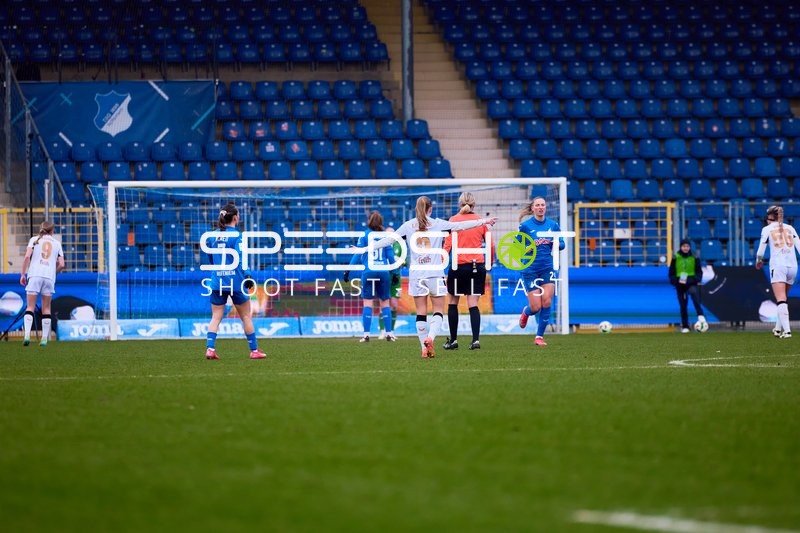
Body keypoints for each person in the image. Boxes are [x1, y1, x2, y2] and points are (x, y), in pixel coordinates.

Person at [374, 196, 496, 358]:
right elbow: (461, 225)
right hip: (435, 274)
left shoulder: (408, 225)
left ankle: (424, 348)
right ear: (430, 209)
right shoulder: (438, 224)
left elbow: (388, 240)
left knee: (421, 312)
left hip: (417, 275)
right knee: (438, 310)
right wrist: (484, 221)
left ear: (416, 209)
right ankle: (431, 338)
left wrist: (365, 249)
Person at [205, 203, 266, 360]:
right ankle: (254, 351)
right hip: (236, 281)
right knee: (246, 316)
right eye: (238, 215)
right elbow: (241, 258)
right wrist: (247, 276)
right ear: (234, 217)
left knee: (216, 316)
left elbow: (210, 258)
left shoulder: (212, 236)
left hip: (218, 281)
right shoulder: (237, 236)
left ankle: (210, 349)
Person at [443, 192, 493, 351]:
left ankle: (453, 340)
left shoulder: (453, 221)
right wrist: (488, 263)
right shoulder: (481, 221)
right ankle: (476, 340)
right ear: (474, 204)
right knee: (473, 304)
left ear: (460, 204)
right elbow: (491, 245)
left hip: (458, 266)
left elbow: (447, 246)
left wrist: (443, 267)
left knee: (453, 302)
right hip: (477, 266)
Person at [517, 196, 565, 346]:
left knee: (547, 301)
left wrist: (555, 242)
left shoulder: (553, 225)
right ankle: (526, 312)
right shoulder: (525, 226)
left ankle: (539, 337)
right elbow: (516, 247)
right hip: (530, 269)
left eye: (543, 205)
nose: (540, 207)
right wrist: (527, 248)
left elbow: (562, 244)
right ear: (532, 208)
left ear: (545, 207)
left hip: (547, 268)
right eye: (537, 205)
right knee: (536, 306)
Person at [346, 211, 397, 342]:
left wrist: (348, 270)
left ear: (369, 221)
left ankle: (366, 334)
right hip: (383, 272)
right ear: (381, 221)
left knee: (367, 303)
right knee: (385, 303)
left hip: (369, 272)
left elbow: (357, 254)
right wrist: (395, 273)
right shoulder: (386, 236)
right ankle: (389, 334)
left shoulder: (364, 235)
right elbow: (391, 257)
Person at [755, 205, 800, 339]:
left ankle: (787, 332)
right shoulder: (790, 228)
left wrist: (758, 260)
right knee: (783, 299)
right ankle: (778, 329)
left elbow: (760, 252)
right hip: (793, 266)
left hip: (778, 266)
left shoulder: (766, 229)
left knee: (780, 299)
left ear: (769, 218)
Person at [19, 220, 65, 346]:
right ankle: (44, 339)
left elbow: (27, 257)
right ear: (52, 231)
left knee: (30, 307)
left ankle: (27, 335)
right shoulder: (56, 243)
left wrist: (23, 274)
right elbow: (62, 264)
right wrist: (53, 273)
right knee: (46, 308)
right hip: (49, 277)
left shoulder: (34, 240)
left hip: (34, 274)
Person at [668, 238, 707, 333]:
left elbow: (699, 273)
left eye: (687, 246)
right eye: (684, 246)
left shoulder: (695, 256)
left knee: (693, 293)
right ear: (681, 247)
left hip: (691, 282)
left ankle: (700, 315)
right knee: (683, 305)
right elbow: (671, 273)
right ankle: (685, 326)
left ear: (690, 247)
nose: (686, 248)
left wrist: (691, 280)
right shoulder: (675, 257)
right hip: (679, 284)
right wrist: (676, 281)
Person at [378, 227, 403, 340]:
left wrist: (401, 261)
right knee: (383, 305)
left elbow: (405, 260)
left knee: (394, 305)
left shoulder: (400, 246)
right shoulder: (382, 246)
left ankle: (391, 331)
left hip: (396, 278)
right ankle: (382, 331)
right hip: (385, 277)